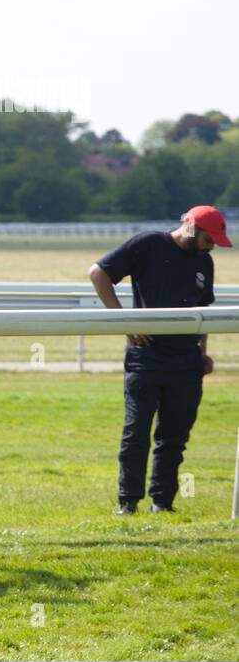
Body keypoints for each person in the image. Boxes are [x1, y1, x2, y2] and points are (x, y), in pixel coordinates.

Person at [88, 205, 231, 515]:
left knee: (174, 436)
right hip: (146, 358)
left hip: (186, 363)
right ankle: (128, 502)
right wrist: (125, 322)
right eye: (210, 239)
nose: (212, 246)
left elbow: (201, 310)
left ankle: (163, 503)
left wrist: (202, 353)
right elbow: (98, 273)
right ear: (193, 229)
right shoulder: (148, 244)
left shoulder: (204, 261)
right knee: (136, 432)